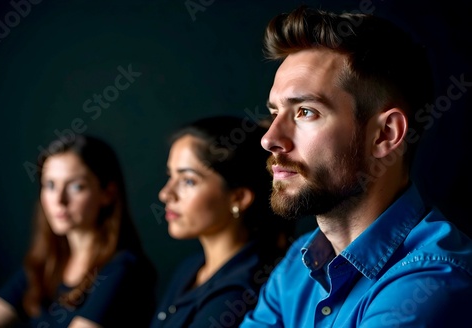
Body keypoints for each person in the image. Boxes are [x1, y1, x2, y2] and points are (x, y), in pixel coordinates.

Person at [240, 4, 472, 328]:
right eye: (274, 111)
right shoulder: (297, 265)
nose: (269, 139)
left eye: (305, 111)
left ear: (385, 135)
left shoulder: (432, 281)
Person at [0, 134, 157, 327]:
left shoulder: (124, 269)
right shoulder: (48, 263)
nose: (59, 200)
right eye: (50, 185)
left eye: (76, 186)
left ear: (107, 193)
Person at [150, 115, 295, 328]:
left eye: (188, 181)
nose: (166, 194)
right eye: (170, 176)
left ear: (238, 197)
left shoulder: (241, 291)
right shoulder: (190, 268)